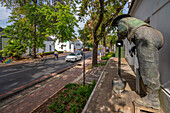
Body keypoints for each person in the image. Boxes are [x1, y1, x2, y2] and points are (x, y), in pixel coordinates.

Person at [112, 14, 164, 109]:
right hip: (153, 34)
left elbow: (122, 30)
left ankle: (153, 100)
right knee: (151, 66)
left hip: (144, 36)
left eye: (116, 26)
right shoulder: (134, 21)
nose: (117, 28)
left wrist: (118, 38)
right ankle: (151, 94)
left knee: (147, 68)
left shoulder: (122, 21)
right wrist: (136, 47)